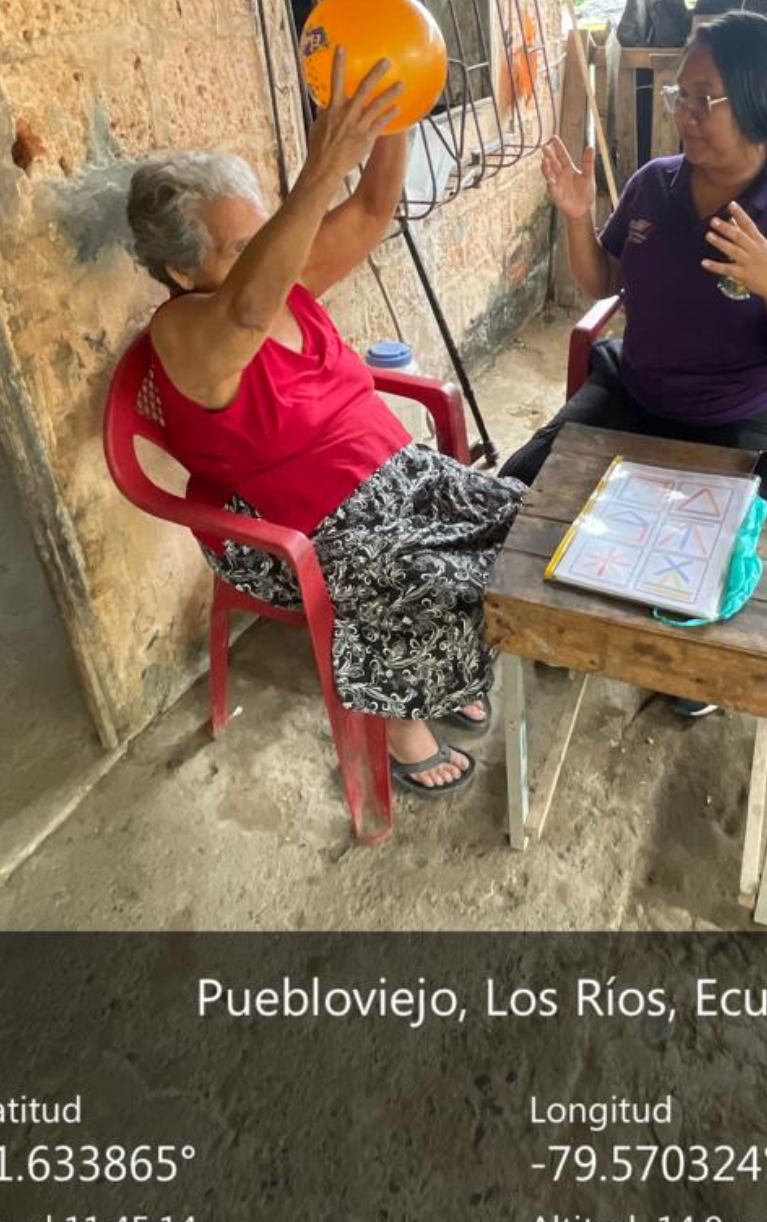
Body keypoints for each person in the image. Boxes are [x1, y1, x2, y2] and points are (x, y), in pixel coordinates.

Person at [125, 54, 523, 799]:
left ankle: (446, 673)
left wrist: (397, 112)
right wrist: (322, 168)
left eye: (263, 233)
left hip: (396, 474)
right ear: (181, 272)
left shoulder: (284, 284)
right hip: (302, 526)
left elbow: (371, 210)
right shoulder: (184, 331)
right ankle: (399, 723)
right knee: (421, 574)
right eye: (239, 248)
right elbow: (246, 309)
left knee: (514, 521)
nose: (267, 254)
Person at [502, 4, 767, 503]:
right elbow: (604, 280)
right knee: (517, 494)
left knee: (723, 543)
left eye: (705, 99)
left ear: (761, 105)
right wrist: (578, 218)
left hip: (747, 414)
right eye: (681, 95)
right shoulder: (654, 184)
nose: (684, 114)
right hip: (636, 392)